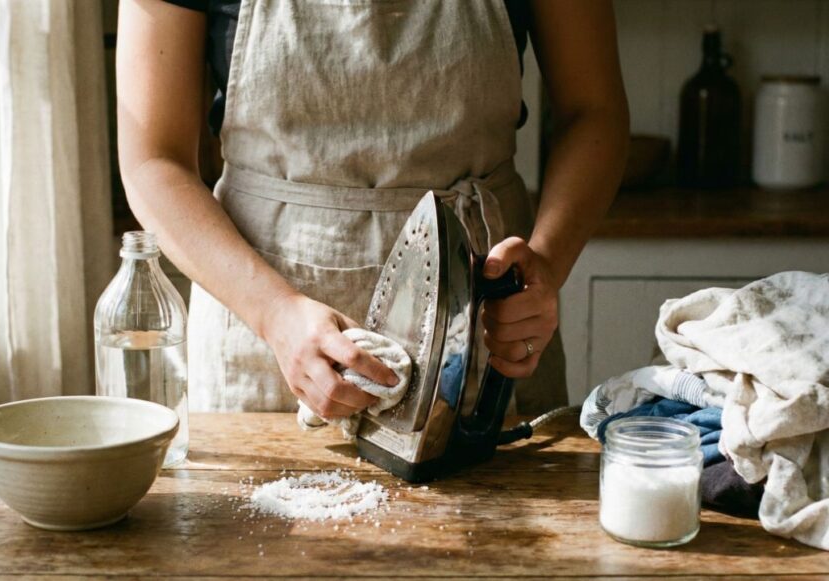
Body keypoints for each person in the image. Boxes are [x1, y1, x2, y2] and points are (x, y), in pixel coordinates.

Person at [116, 0, 629, 418]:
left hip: (485, 320)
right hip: (260, 330)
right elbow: (153, 159)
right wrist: (275, 313)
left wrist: (546, 262)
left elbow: (595, 112)